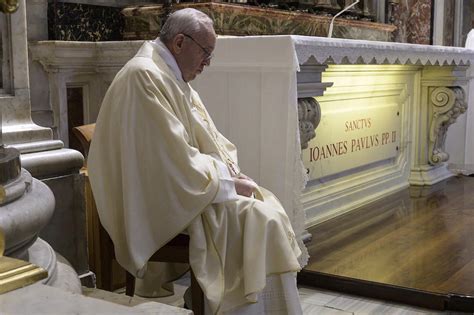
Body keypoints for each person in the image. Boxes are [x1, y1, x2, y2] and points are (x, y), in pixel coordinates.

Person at [88, 8, 303, 314]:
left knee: (267, 207)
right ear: (179, 42)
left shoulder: (169, 75)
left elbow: (207, 139)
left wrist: (232, 175)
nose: (207, 63)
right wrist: (227, 185)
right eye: (205, 53)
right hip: (154, 199)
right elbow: (170, 161)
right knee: (260, 218)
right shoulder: (145, 76)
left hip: (182, 188)